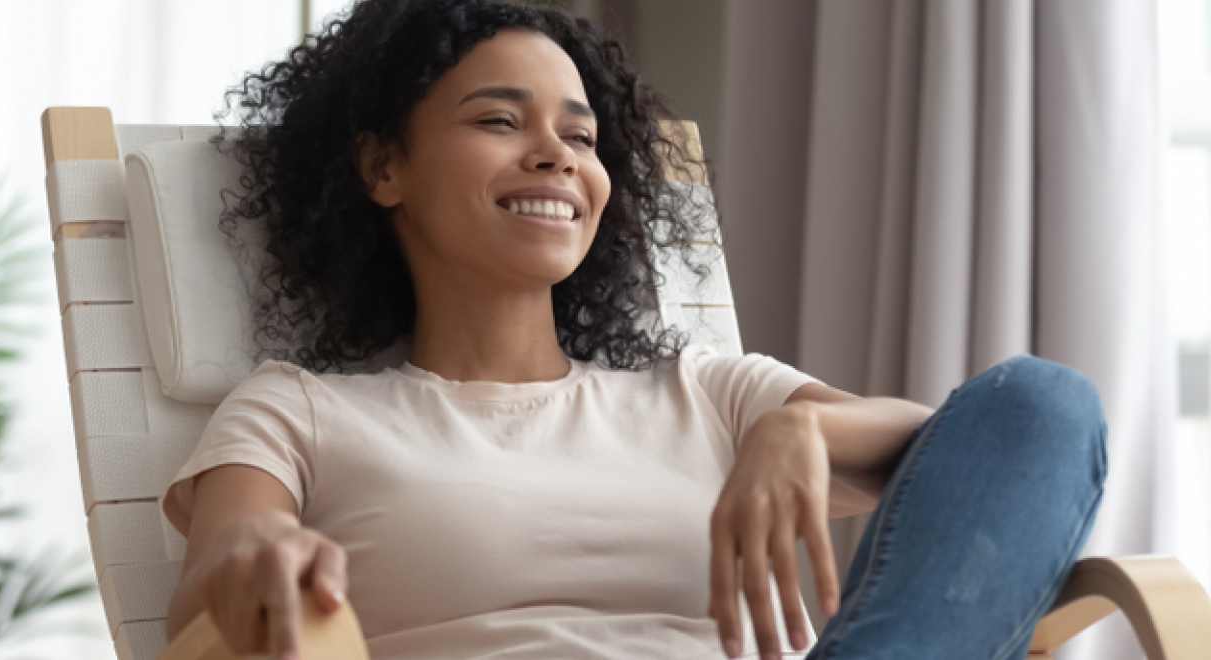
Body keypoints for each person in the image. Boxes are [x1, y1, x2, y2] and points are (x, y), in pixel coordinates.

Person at [161, 1, 1107, 659]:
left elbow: (992, 443)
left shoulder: (708, 391)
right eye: (500, 119)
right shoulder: (300, 411)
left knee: (1049, 398)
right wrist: (257, 555)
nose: (555, 156)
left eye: (581, 137)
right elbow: (212, 580)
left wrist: (801, 427)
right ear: (382, 169)